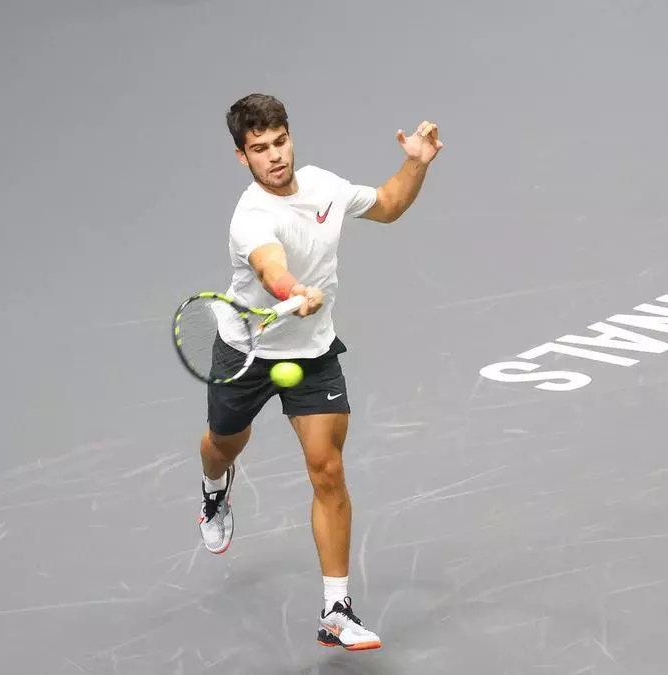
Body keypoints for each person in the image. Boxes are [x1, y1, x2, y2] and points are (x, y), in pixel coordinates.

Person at [196, 92, 442, 651]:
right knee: (222, 443)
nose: (274, 156)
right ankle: (214, 488)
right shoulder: (251, 217)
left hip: (311, 351)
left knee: (327, 468)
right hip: (248, 352)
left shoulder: (324, 186)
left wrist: (415, 163)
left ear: (290, 136)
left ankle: (337, 609)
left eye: (280, 141)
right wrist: (293, 290)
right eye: (259, 149)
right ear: (243, 157)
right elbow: (270, 266)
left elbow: (386, 204)